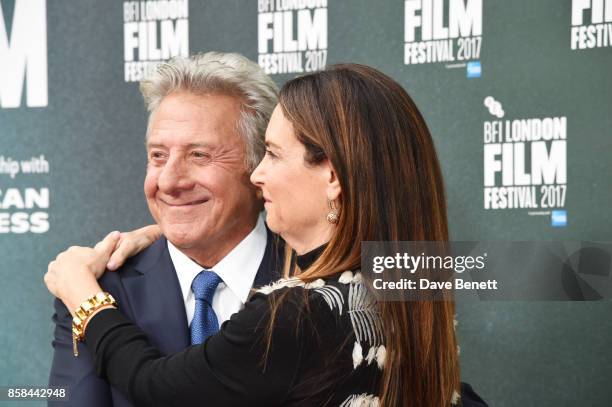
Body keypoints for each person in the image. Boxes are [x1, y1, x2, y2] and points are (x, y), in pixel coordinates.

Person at [45, 64, 488, 406]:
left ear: (331, 175)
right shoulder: (409, 274)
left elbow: (154, 385)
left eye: (200, 155)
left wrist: (83, 296)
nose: (260, 175)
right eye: (157, 156)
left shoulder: (296, 310)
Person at [48, 52, 284, 407]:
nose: (170, 181)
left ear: (259, 167)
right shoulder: (94, 287)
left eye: (199, 155)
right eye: (158, 156)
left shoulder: (321, 278)